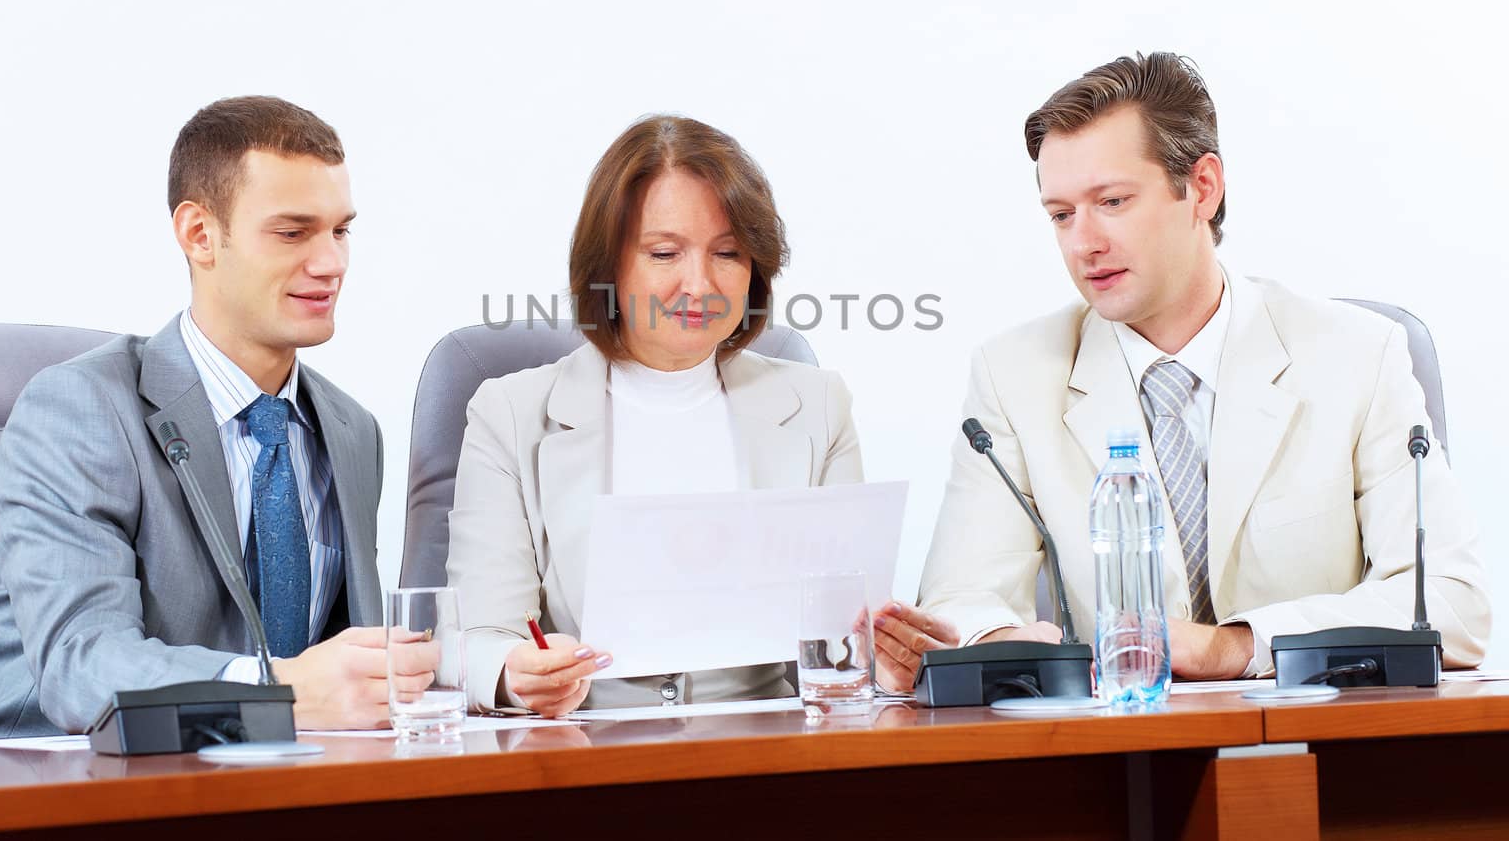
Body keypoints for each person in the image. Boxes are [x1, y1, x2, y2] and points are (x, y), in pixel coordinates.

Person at [873, 52, 1490, 690]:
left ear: (1202, 187)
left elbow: (1449, 606)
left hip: (1323, 746)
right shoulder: (1014, 374)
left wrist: (1232, 647)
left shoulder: (1358, 353)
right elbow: (956, 600)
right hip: (1115, 756)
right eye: (1061, 215)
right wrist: (1000, 639)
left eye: (1112, 201)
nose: (1083, 243)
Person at [0, 96, 432, 739]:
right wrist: (276, 691)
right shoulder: (82, 410)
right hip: (38, 770)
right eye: (292, 232)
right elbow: (84, 665)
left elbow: (335, 672)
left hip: (243, 777)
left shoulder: (350, 429)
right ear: (200, 235)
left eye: (340, 231)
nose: (331, 263)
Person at [447, 114, 863, 717]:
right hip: (584, 753)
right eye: (665, 253)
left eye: (728, 253)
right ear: (608, 267)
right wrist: (515, 674)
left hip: (768, 758)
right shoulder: (509, 415)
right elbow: (476, 639)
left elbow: (844, 642)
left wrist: (878, 645)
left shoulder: (819, 407)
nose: (699, 284)